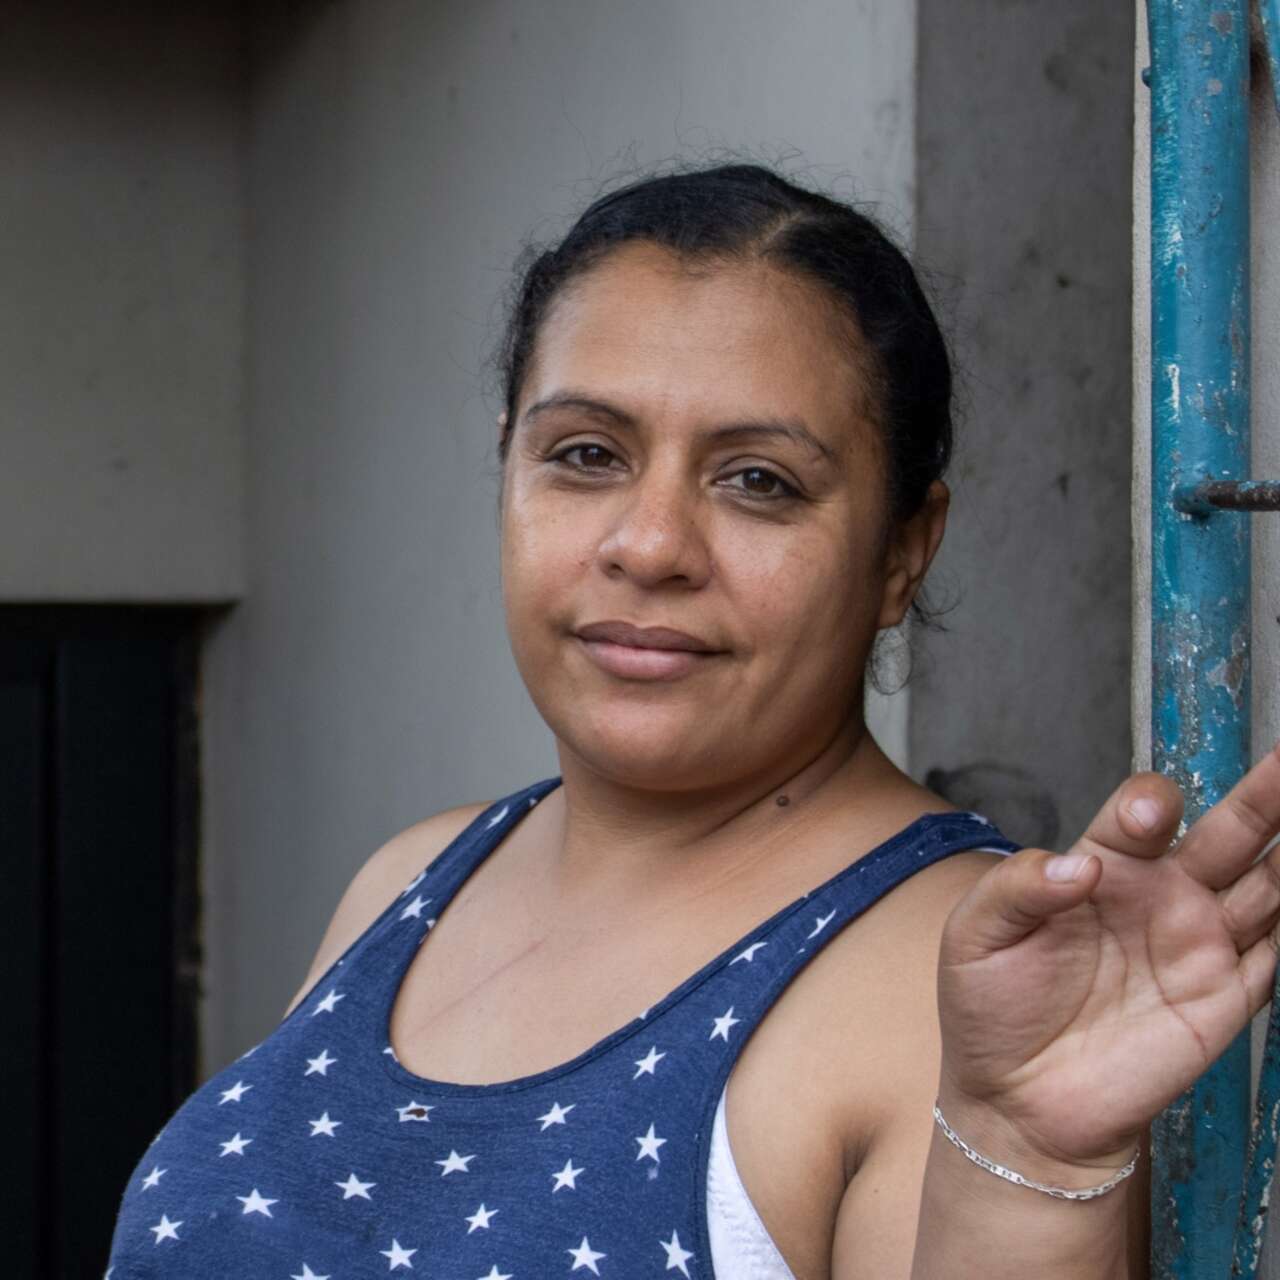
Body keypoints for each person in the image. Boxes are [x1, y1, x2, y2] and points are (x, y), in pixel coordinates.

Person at [107, 164, 1280, 1280]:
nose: (650, 543)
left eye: (756, 479)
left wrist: (1027, 1164)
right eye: (583, 455)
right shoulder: (410, 878)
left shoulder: (954, 979)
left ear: (900, 553)